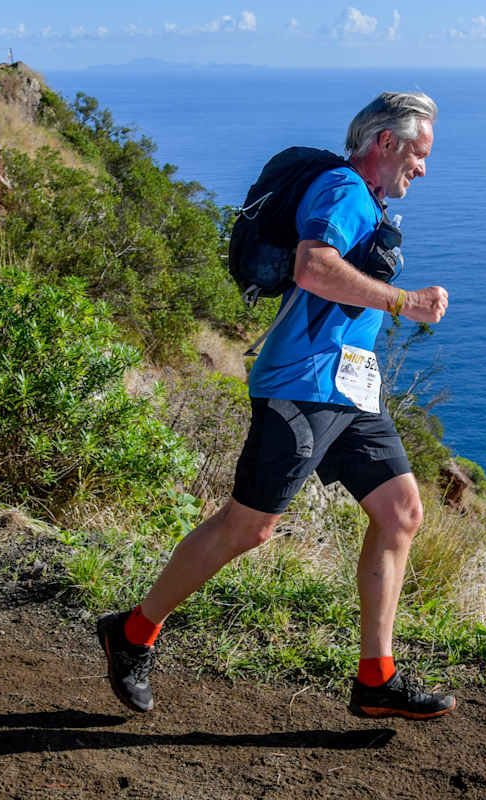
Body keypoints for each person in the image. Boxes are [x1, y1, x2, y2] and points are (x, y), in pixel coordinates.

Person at [96, 92, 455, 720]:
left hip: (351, 390)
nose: (421, 168)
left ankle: (376, 678)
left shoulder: (365, 199)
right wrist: (405, 303)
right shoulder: (344, 189)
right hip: (301, 387)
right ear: (386, 143)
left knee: (400, 513)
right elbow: (314, 268)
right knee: (249, 526)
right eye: (418, 153)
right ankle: (131, 635)